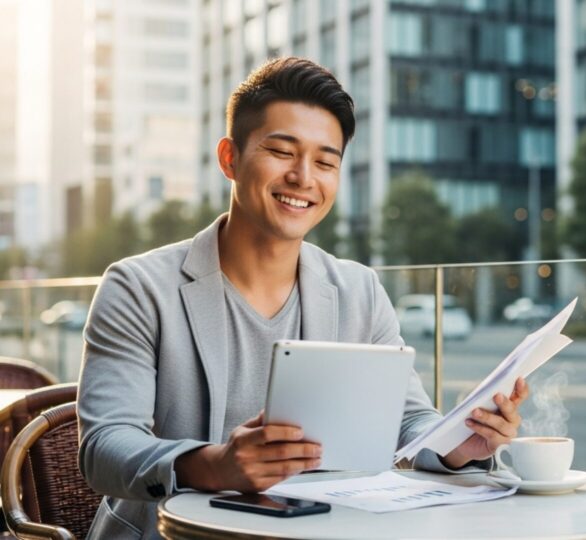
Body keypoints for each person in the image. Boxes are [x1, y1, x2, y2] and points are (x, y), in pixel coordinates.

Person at [77, 57, 529, 539]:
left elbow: (408, 418)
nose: (303, 177)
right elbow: (104, 446)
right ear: (230, 158)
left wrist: (457, 445)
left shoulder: (359, 291)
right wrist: (215, 465)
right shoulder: (137, 287)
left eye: (325, 162)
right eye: (281, 151)